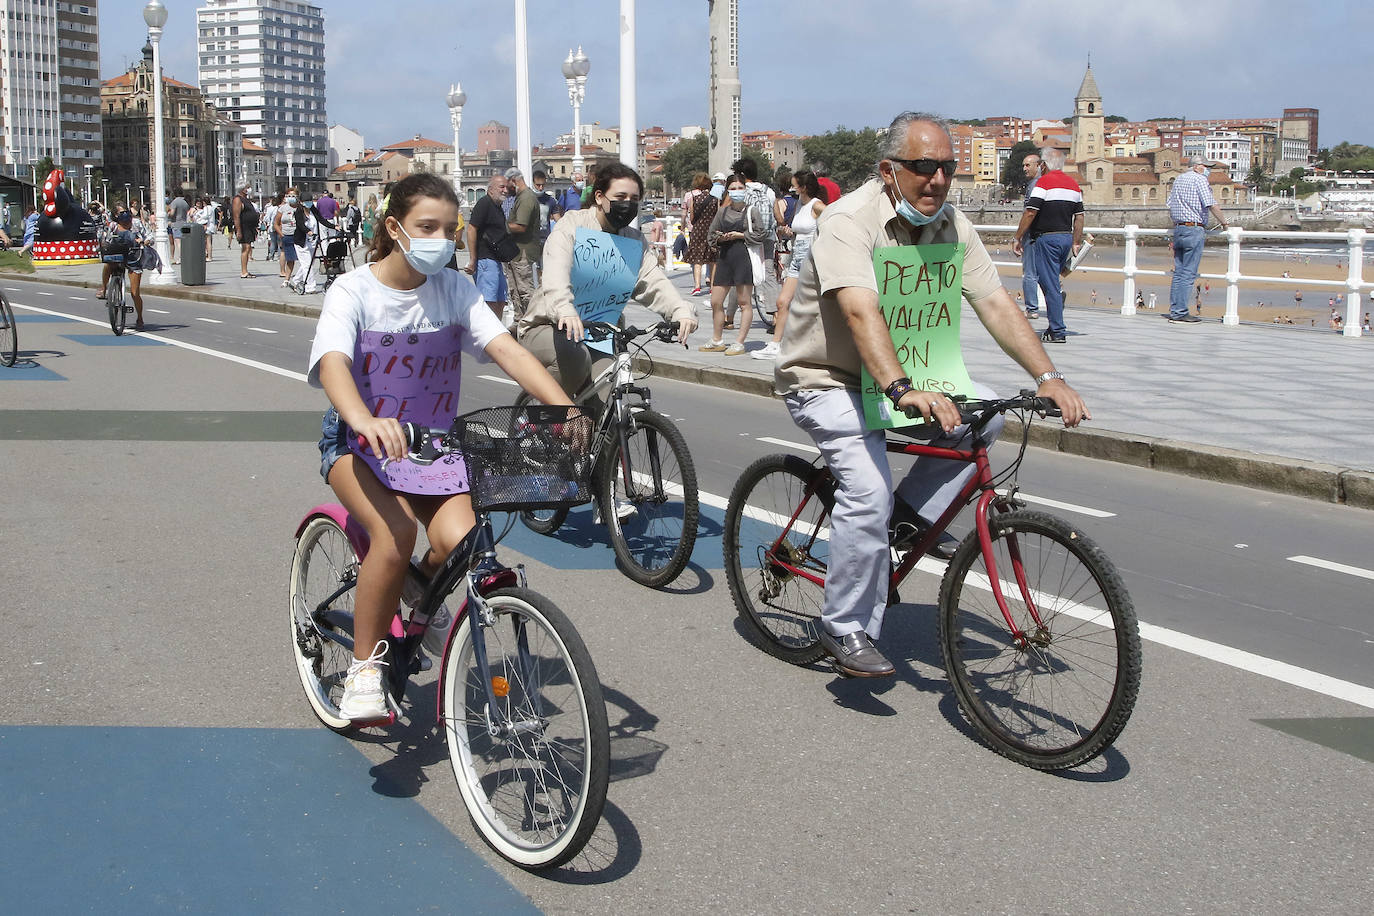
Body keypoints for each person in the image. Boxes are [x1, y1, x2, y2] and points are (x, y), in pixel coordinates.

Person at [774, 112, 1086, 677]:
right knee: (865, 492)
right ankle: (843, 625)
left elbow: (994, 302)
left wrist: (1049, 376)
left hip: (908, 378)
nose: (938, 180)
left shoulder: (951, 225)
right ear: (888, 170)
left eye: (946, 167)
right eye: (923, 167)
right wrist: (902, 388)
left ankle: (907, 520)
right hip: (828, 379)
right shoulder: (848, 221)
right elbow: (858, 309)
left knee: (987, 416)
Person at [306, 172, 581, 721]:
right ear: (394, 227)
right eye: (425, 226)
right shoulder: (354, 290)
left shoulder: (455, 289)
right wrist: (363, 418)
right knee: (395, 534)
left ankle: (420, 601)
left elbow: (505, 348)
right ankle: (364, 670)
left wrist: (563, 406)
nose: (441, 238)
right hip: (357, 445)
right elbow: (333, 363)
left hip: (431, 449)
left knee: (465, 542)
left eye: (449, 228)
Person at [518, 161, 696, 407]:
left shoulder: (633, 241)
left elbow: (653, 281)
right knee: (575, 357)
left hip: (598, 335)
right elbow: (555, 273)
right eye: (620, 196)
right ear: (600, 197)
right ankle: (546, 417)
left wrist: (680, 311)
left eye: (634, 198)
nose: (627, 204)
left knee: (610, 390)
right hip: (549, 326)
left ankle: (596, 439)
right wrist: (565, 310)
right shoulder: (572, 226)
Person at [1012, 147, 1083, 344]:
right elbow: (1079, 217)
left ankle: (1057, 331)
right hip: (1065, 238)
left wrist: (1018, 237)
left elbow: (1030, 212)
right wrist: (1076, 241)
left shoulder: (1043, 183)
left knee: (1049, 283)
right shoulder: (1073, 185)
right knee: (1052, 281)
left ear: (1043, 165)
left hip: (1046, 239)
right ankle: (1055, 323)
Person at [754, 169, 826, 360]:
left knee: (808, 305)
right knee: (783, 302)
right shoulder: (800, 205)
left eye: (795, 185)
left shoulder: (816, 205)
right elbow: (799, 230)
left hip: (811, 259)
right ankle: (776, 344)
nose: (791, 189)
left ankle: (806, 346)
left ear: (803, 187)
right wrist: (788, 232)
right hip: (796, 257)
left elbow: (832, 222)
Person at [700, 174, 766, 355]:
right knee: (716, 301)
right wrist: (721, 238)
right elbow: (711, 235)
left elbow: (761, 234)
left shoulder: (752, 211)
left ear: (745, 189)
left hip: (743, 257)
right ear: (728, 190)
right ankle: (717, 339)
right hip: (725, 257)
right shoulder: (722, 211)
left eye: (740, 188)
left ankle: (739, 342)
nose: (737, 192)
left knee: (744, 303)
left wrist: (740, 235)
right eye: (733, 188)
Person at [1166, 156, 1227, 324]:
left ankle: (1175, 310)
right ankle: (1180, 312)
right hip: (1193, 228)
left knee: (1179, 272)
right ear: (1195, 167)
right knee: (1188, 273)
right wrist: (1224, 222)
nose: (1208, 170)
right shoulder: (1199, 180)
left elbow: (1170, 204)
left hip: (1179, 229)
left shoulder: (1178, 180)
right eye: (1205, 166)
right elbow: (1211, 204)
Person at [464, 175, 512, 322]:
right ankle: (486, 335)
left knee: (500, 301)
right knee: (488, 301)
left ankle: (495, 331)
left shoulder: (497, 207)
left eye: (506, 187)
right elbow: (471, 229)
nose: (505, 190)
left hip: (496, 261)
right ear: (490, 189)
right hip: (485, 260)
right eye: (501, 187)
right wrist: (472, 259)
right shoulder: (484, 203)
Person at [95, 209, 147, 331]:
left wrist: (145, 241)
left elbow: (148, 236)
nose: (125, 225)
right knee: (108, 265)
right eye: (122, 223)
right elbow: (103, 237)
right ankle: (104, 287)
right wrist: (102, 244)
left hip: (133, 255)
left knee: (135, 292)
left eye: (127, 223)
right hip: (117, 252)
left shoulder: (137, 224)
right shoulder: (112, 226)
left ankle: (140, 318)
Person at [503, 167, 541, 323]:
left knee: (525, 290)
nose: (506, 189)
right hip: (515, 252)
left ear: (514, 181)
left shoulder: (526, 198)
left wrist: (501, 226)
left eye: (507, 185)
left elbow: (520, 226)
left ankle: (532, 321)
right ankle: (520, 320)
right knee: (515, 290)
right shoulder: (521, 197)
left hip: (523, 252)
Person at [683, 172, 719, 295]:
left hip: (698, 230)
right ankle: (713, 286)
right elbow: (718, 215)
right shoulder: (715, 199)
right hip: (711, 230)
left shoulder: (695, 199)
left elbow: (692, 217)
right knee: (712, 259)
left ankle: (697, 286)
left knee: (697, 259)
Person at [1018, 153, 1043, 317]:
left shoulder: (1034, 185)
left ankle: (1032, 308)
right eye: (1023, 165)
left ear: (1038, 165)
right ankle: (1055, 294)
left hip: (1032, 234)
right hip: (1043, 234)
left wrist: (1018, 236)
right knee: (1044, 271)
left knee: (1030, 272)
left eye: (1028, 165)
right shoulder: (1044, 183)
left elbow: (1030, 212)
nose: (1024, 169)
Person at [274, 188, 304, 282]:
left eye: (293, 196)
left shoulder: (301, 208)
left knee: (303, 258)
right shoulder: (283, 208)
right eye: (289, 196)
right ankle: (287, 278)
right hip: (287, 235)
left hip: (299, 235)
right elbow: (276, 223)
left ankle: (301, 278)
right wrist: (281, 234)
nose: (291, 198)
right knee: (290, 259)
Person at [231, 184, 258, 279]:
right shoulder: (238, 199)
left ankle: (245, 270)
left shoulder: (246, 199)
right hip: (243, 227)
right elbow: (236, 216)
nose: (249, 189)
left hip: (250, 227)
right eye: (247, 187)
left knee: (248, 247)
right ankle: (244, 271)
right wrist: (238, 231)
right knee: (245, 248)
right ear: (242, 189)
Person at [167, 192, 189, 264]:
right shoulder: (185, 202)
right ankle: (185, 256)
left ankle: (181, 257)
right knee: (184, 242)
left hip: (176, 224)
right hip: (184, 223)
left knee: (178, 241)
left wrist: (168, 214)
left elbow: (172, 213)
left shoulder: (175, 202)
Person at [263, 194, 280, 262]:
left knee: (272, 242)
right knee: (279, 242)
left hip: (272, 227)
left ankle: (271, 256)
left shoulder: (269, 208)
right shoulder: (279, 208)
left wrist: (268, 222)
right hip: (279, 227)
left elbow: (266, 218)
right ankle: (279, 257)